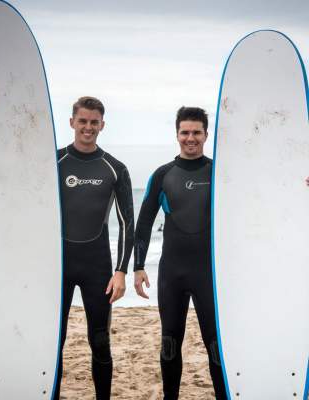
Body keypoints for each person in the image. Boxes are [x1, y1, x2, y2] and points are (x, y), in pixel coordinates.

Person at [134, 106, 227, 399]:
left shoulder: (220, 173)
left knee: (216, 346)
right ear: (177, 134)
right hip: (172, 273)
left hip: (208, 274)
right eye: (185, 132)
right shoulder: (163, 175)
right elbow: (144, 221)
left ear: (206, 134)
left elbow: (257, 199)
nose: (191, 138)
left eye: (196, 132)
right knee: (170, 342)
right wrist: (137, 266)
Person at [55, 96, 134, 400]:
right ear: (72, 122)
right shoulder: (53, 162)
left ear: (102, 125)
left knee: (99, 341)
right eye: (83, 121)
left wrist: (121, 272)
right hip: (58, 266)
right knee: (54, 341)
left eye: (94, 122)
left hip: (98, 267)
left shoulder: (115, 168)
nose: (88, 128)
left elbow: (127, 223)